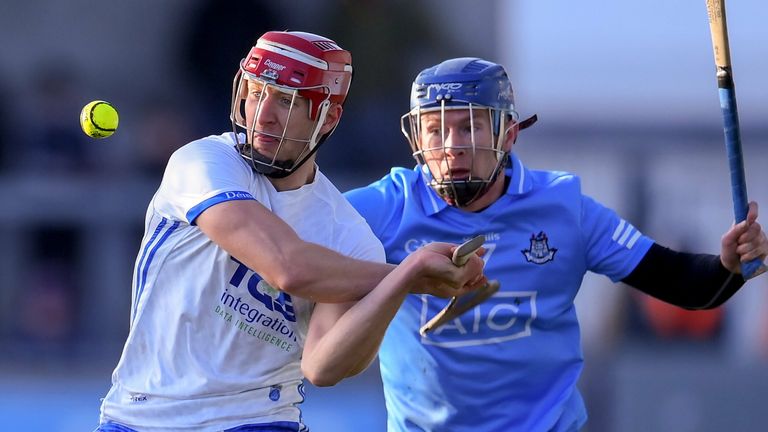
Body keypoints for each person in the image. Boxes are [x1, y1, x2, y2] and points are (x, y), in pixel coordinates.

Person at [344, 57, 768, 432]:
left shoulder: (564, 208)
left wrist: (729, 265)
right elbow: (306, 252)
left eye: (470, 126)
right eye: (436, 130)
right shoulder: (383, 207)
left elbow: (685, 284)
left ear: (509, 133)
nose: (452, 147)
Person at [94, 33, 486, 432]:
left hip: (258, 421)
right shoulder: (204, 161)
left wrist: (403, 280)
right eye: (256, 93)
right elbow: (287, 267)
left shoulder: (350, 237)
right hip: (141, 416)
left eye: (286, 101)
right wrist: (409, 275)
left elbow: (322, 367)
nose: (263, 115)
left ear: (327, 118)